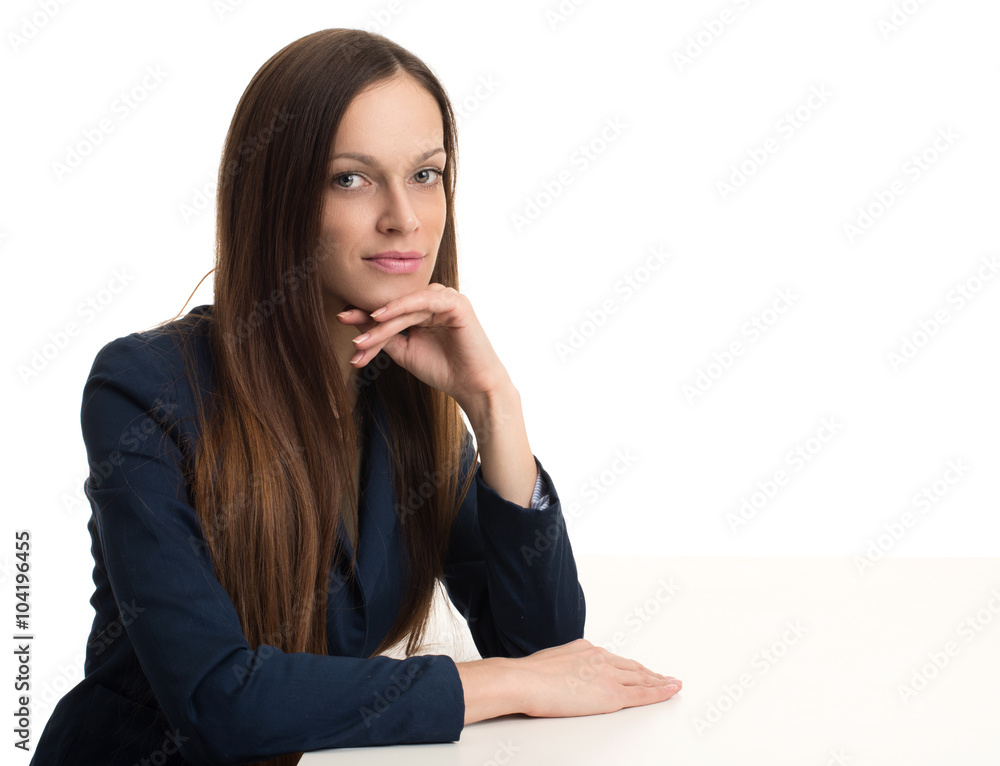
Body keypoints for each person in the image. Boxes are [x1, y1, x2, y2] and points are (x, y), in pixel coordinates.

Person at [29, 28, 681, 766]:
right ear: (278, 199)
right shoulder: (145, 388)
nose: (404, 217)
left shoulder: (411, 399)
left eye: (426, 174)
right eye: (352, 178)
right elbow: (219, 699)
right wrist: (493, 683)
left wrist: (494, 404)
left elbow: (545, 649)